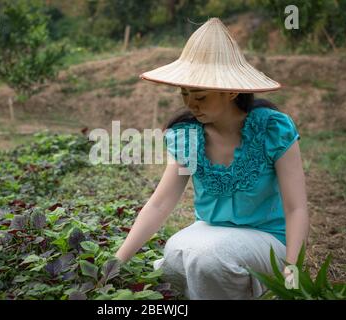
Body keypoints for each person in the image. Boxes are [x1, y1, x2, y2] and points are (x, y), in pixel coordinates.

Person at [114, 17, 309, 300]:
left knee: (210, 258)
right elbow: (160, 203)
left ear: (231, 91)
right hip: (210, 235)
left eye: (201, 96)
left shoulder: (272, 129)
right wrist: (117, 261)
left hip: (267, 240)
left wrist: (293, 271)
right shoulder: (188, 137)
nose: (190, 104)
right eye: (185, 94)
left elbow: (296, 209)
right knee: (175, 252)